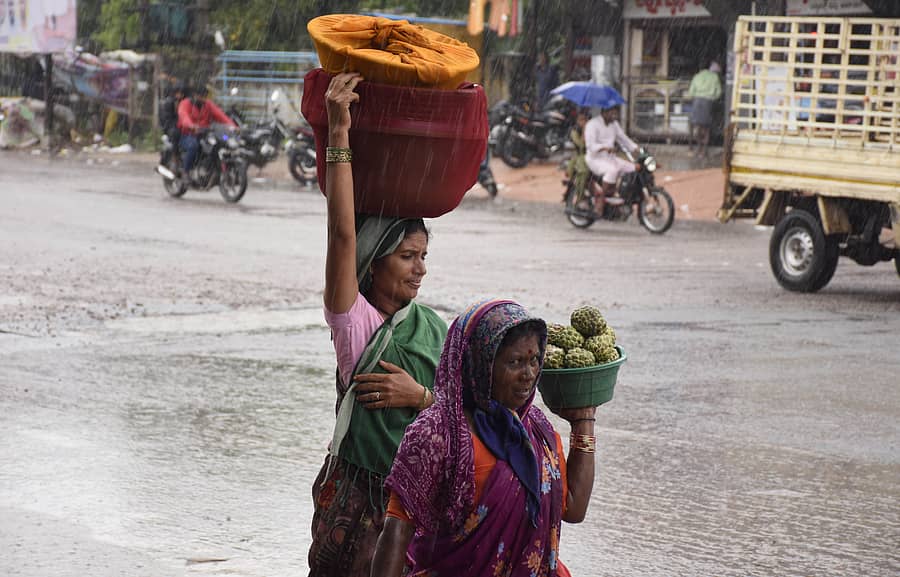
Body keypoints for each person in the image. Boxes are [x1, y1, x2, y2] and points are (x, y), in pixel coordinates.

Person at [307, 71, 449, 577]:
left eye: (424, 256)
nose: (420, 269)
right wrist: (340, 132)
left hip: (415, 512)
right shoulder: (356, 325)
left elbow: (469, 417)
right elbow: (342, 235)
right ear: (375, 262)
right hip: (357, 508)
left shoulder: (435, 329)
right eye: (407, 256)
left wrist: (421, 398)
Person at [372, 299, 598, 577]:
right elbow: (396, 530)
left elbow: (573, 509)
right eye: (514, 362)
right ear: (480, 363)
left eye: (535, 360)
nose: (528, 375)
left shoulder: (538, 431)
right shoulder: (438, 433)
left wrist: (583, 421)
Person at [584, 105, 640, 216]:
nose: (614, 116)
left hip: (610, 158)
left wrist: (636, 149)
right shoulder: (592, 124)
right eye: (612, 113)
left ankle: (620, 196)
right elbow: (590, 145)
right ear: (604, 112)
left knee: (633, 168)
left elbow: (623, 139)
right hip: (595, 159)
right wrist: (604, 147)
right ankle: (601, 201)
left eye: (615, 113)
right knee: (613, 170)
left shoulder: (614, 125)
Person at [176, 83, 236, 176]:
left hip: (205, 134)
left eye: (205, 96)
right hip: (187, 134)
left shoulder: (208, 104)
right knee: (193, 146)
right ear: (195, 95)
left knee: (223, 140)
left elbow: (220, 115)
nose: (203, 98)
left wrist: (232, 126)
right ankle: (186, 172)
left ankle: (215, 168)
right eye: (201, 96)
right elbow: (184, 116)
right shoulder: (185, 103)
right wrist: (191, 126)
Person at [687, 61, 722, 159]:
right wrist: (712, 98)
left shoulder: (697, 76)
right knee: (706, 128)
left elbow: (691, 92)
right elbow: (718, 92)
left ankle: (697, 148)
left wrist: (696, 96)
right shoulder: (714, 77)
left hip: (697, 102)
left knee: (696, 125)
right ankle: (704, 151)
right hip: (708, 102)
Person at [564, 108, 591, 201]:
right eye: (581, 119)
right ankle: (580, 198)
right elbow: (581, 146)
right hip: (579, 157)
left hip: (593, 156)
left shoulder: (593, 130)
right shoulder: (574, 131)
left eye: (585, 119)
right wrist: (584, 132)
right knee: (583, 172)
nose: (583, 122)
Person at [158, 81, 185, 168]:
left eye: (181, 93)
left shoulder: (185, 102)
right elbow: (168, 119)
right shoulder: (169, 103)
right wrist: (176, 124)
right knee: (175, 134)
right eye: (178, 93)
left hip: (184, 126)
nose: (180, 95)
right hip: (171, 127)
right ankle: (175, 157)